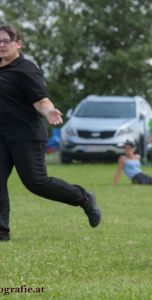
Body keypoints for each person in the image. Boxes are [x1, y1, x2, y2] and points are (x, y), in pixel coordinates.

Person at [0, 25, 101, 241]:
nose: (1, 44)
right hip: (2, 136)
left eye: (6, 40)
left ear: (18, 43)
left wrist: (49, 111)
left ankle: (83, 198)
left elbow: (41, 100)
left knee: (36, 182)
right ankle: (1, 231)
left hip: (26, 135)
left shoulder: (26, 69)